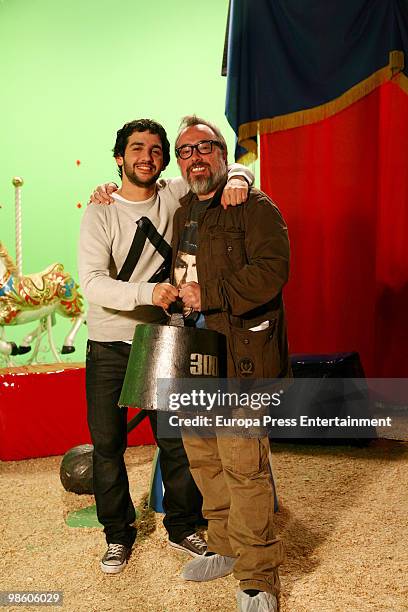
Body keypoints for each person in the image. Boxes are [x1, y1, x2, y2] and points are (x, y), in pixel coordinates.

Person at [78, 118, 254, 574]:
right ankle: (117, 535)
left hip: (164, 339)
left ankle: (183, 526)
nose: (147, 157)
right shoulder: (99, 210)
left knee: (177, 443)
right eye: (137, 149)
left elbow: (221, 168)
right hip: (109, 343)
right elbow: (93, 283)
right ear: (119, 158)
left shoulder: (175, 192)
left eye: (156, 150)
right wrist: (146, 293)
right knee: (107, 446)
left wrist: (239, 177)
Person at [170, 116, 291, 612]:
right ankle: (222, 545)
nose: (195, 157)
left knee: (244, 466)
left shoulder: (254, 205)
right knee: (204, 457)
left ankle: (259, 575)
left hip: (242, 357)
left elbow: (273, 272)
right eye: (185, 151)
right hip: (194, 354)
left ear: (223, 153)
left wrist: (211, 295)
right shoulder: (182, 210)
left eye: (205, 147)